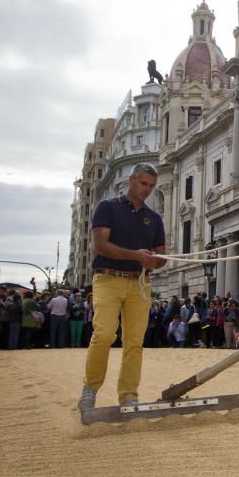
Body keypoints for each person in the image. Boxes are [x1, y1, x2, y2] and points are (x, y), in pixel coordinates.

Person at [78, 163, 166, 411]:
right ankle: (90, 388)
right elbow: (101, 245)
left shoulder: (154, 218)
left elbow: (161, 256)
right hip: (108, 278)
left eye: (151, 186)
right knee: (104, 334)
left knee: (134, 342)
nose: (147, 190)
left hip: (140, 283)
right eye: (143, 183)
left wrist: (154, 261)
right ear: (131, 180)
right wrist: (136, 256)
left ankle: (129, 395)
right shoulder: (107, 207)